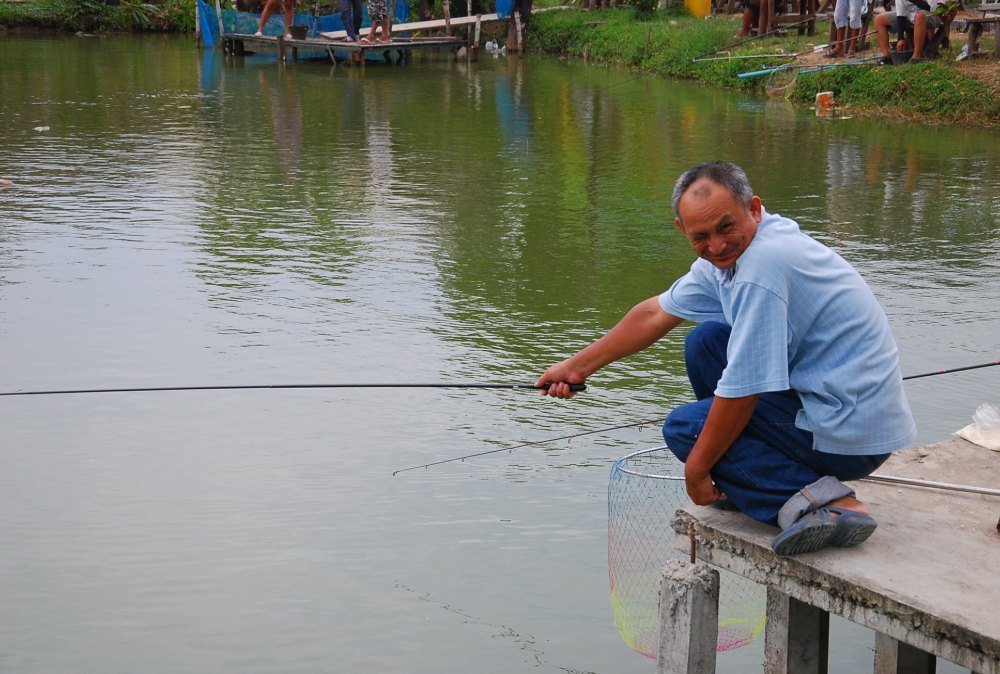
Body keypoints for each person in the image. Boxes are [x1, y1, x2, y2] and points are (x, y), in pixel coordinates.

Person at [536, 162, 916, 556]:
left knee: (686, 429)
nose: (716, 245)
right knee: (705, 341)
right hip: (834, 409)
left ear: (753, 208)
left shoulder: (762, 265)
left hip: (851, 437)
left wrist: (697, 470)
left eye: (725, 227)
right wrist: (576, 367)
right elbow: (655, 313)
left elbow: (743, 390)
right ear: (682, 230)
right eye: (701, 236)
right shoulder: (732, 257)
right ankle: (752, 478)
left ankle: (829, 504)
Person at [874, 0, 950, 63]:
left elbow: (931, 8)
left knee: (919, 16)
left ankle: (916, 57)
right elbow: (901, 15)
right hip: (909, 15)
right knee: (879, 20)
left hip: (933, 14)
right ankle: (887, 56)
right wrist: (900, 38)